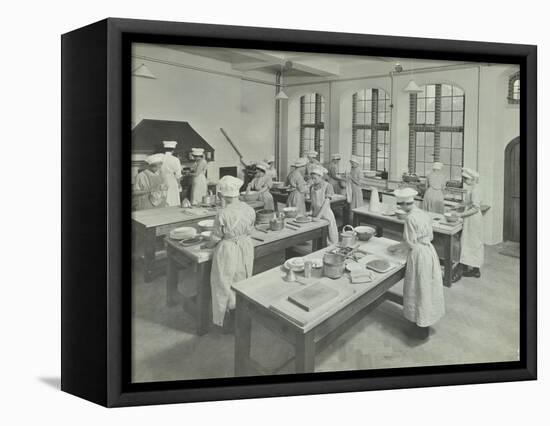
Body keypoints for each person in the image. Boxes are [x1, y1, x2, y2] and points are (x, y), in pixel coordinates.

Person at [388, 187, 445, 338]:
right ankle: (424, 322)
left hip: (419, 254)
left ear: (405, 204)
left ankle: (420, 329)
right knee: (426, 288)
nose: (400, 208)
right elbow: (429, 236)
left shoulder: (410, 218)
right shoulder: (422, 213)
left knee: (417, 288)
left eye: (400, 205)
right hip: (429, 251)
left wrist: (395, 248)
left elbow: (409, 242)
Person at [208, 175, 256, 330]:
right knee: (243, 278)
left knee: (225, 282)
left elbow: (216, 237)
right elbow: (250, 230)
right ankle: (242, 318)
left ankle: (228, 322)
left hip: (228, 249)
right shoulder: (249, 209)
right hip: (245, 246)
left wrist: (207, 245)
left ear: (222, 195)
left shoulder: (222, 213)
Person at [452, 167, 484, 282]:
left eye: (466, 179)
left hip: (473, 219)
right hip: (470, 218)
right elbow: (469, 202)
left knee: (473, 243)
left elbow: (475, 208)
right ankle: (467, 265)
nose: (465, 181)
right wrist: (459, 206)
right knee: (468, 242)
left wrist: (461, 215)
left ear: (472, 179)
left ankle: (475, 270)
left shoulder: (476, 190)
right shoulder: (473, 188)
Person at [309, 165, 338, 245]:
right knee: (318, 238)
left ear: (321, 177)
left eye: (315, 178)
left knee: (331, 238)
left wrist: (318, 216)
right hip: (316, 214)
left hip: (325, 214)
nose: (313, 180)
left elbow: (326, 203)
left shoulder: (328, 186)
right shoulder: (312, 187)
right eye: (312, 178)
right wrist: (311, 211)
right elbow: (313, 201)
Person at [160, 140, 182, 206]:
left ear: (164, 149)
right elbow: (178, 175)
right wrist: (179, 184)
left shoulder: (160, 158)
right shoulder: (175, 159)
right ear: (173, 150)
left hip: (162, 179)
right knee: (173, 199)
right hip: (171, 180)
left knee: (164, 198)